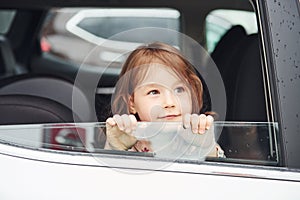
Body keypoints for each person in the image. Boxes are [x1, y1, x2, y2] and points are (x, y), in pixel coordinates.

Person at [104, 42, 224, 157]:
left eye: (179, 90)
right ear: (132, 104)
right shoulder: (126, 142)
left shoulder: (198, 138)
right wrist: (114, 149)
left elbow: (222, 173)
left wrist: (207, 149)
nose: (170, 103)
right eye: (154, 92)